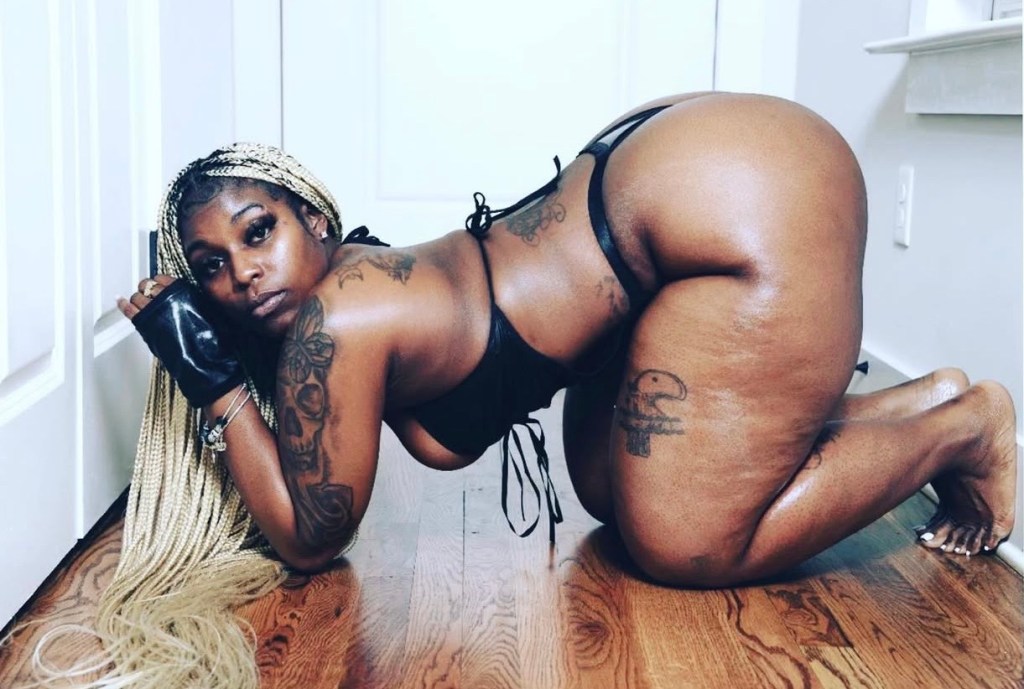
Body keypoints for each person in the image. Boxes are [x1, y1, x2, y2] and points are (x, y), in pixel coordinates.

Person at [118, 91, 1017, 587]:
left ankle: (964, 428)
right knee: (609, 488)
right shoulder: (359, 278)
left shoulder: (341, 316)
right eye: (212, 267)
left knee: (682, 540)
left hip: (742, 195)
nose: (244, 274)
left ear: (314, 219)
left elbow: (312, 538)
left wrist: (210, 378)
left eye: (259, 232)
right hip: (673, 169)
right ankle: (923, 399)